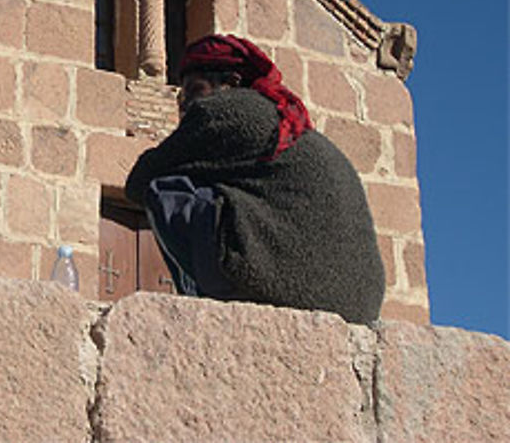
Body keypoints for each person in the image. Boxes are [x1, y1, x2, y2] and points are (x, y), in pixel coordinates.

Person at [125, 34, 385, 324]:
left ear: (232, 83)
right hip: (357, 306)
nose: (186, 107)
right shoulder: (287, 122)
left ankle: (201, 305)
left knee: (164, 190)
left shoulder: (227, 110)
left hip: (296, 292)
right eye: (182, 99)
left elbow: (138, 182)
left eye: (195, 91)